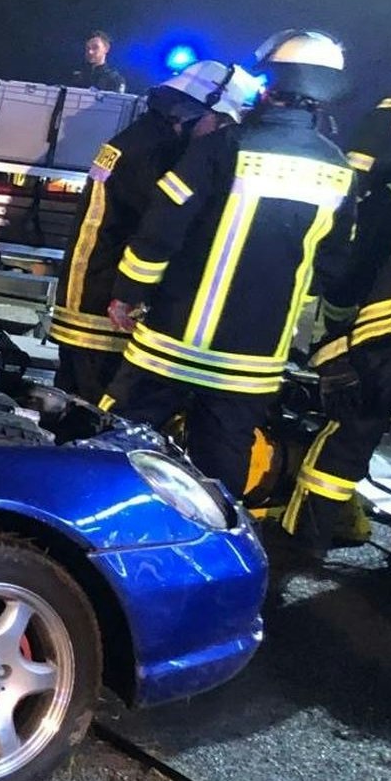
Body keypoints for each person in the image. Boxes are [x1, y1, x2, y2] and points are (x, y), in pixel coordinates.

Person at [99, 29, 357, 497]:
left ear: (270, 86)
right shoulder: (339, 171)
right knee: (219, 479)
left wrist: (127, 294)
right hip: (252, 362)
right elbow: (334, 268)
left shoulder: (224, 146)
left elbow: (162, 229)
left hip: (171, 344)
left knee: (115, 448)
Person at [50, 60, 254, 402]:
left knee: (70, 404)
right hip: (107, 307)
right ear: (201, 112)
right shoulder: (159, 154)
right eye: (221, 124)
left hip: (86, 295)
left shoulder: (140, 137)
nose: (220, 136)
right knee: (97, 411)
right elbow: (158, 229)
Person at [277, 73, 391, 565]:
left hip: (389, 337)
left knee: (349, 437)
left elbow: (348, 277)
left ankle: (303, 545)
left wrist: (333, 340)